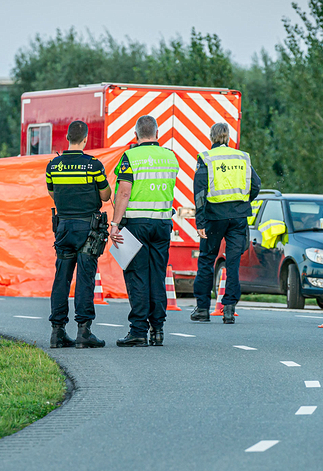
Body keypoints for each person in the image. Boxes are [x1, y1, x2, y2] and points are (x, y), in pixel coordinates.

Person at [108, 115, 178, 347]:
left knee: (137, 275)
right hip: (162, 223)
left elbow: (124, 192)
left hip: (136, 224)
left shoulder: (130, 157)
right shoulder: (170, 157)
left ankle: (138, 330)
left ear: (136, 134)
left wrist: (115, 223)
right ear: (157, 133)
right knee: (157, 275)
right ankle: (157, 329)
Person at [46, 120, 111, 349]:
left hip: (63, 227)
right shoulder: (93, 165)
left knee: (61, 278)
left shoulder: (53, 166)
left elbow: (53, 195)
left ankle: (57, 332)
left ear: (67, 138)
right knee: (85, 279)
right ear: (85, 139)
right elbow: (105, 196)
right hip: (88, 229)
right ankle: (84, 332)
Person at [191, 122, 262, 324]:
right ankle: (229, 309)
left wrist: (200, 221)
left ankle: (203, 309)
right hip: (238, 217)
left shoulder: (206, 158)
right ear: (228, 137)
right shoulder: (242, 157)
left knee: (206, 260)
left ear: (212, 137)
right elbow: (256, 184)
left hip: (214, 217)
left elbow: (200, 193)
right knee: (233, 263)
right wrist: (243, 201)